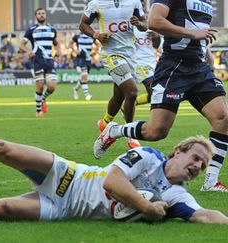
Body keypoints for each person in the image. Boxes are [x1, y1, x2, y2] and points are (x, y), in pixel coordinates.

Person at [0, 100, 227, 223]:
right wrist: (146, 207)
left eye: (202, 165)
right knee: (2, 148)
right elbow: (112, 182)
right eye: (196, 157)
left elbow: (204, 215)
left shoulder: (178, 196)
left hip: (66, 210)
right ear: (178, 152)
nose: (198, 166)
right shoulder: (148, 156)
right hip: (69, 175)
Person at [93, 1, 228, 192]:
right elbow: (155, 21)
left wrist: (205, 51)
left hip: (199, 69)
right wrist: (191, 34)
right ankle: (115, 131)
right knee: (156, 132)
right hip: (174, 68)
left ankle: (211, 181)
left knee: (223, 119)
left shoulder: (206, 2)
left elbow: (199, 29)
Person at [80, 0, 147, 149]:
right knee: (132, 92)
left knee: (119, 95)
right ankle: (130, 134)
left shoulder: (134, 2)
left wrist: (138, 24)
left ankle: (104, 122)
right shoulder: (96, 3)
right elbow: (83, 24)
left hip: (131, 53)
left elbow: (145, 25)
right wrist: (96, 34)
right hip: (111, 54)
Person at [19, 8, 62, 118]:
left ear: (45, 15)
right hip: (37, 60)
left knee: (52, 87)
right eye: (39, 13)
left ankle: (43, 99)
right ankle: (38, 111)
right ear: (36, 16)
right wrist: (28, 51)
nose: (41, 15)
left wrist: (58, 51)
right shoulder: (31, 30)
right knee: (39, 85)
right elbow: (21, 44)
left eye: (43, 13)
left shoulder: (52, 29)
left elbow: (56, 43)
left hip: (49, 61)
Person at [69, 32, 95, 101]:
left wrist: (95, 52)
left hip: (88, 59)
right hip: (80, 58)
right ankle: (87, 95)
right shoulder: (77, 36)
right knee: (84, 75)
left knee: (84, 77)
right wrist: (75, 50)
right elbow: (70, 43)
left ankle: (75, 89)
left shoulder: (92, 36)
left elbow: (98, 44)